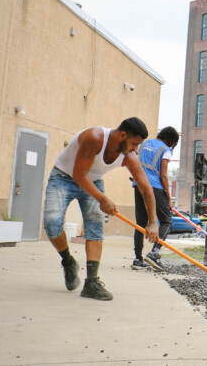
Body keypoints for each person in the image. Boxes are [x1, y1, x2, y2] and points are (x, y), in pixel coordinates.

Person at [43, 117, 158, 301]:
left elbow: (146, 188)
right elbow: (79, 176)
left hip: (93, 182)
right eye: (134, 144)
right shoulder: (94, 137)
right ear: (122, 135)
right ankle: (68, 261)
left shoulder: (129, 156)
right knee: (51, 224)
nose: (136, 150)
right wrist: (103, 199)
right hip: (64, 176)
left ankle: (92, 283)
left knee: (95, 228)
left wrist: (152, 222)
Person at [131, 126, 179, 271]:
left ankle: (137, 259)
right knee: (166, 221)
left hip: (138, 184)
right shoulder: (165, 149)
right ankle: (154, 253)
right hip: (155, 187)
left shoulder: (143, 143)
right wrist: (168, 197)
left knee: (140, 223)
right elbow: (163, 175)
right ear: (170, 141)